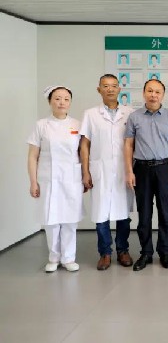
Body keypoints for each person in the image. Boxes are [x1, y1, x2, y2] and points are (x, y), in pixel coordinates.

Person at [124, 79, 168, 271]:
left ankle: (165, 252)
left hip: (165, 167)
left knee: (165, 212)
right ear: (144, 93)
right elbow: (128, 145)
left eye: (157, 92)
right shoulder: (134, 117)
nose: (153, 95)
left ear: (163, 95)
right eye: (150, 91)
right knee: (144, 213)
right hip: (141, 169)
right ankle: (146, 253)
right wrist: (129, 171)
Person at [79, 74, 135, 270]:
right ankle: (105, 253)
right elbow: (84, 145)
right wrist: (85, 171)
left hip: (123, 170)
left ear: (120, 89)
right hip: (100, 170)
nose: (110, 89)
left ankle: (123, 250)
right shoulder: (90, 114)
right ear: (99, 90)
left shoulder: (130, 113)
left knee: (123, 213)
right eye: (105, 86)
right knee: (101, 212)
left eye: (113, 86)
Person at [27, 86, 84, 273]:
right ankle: (53, 258)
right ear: (50, 101)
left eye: (66, 99)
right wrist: (33, 181)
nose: (62, 102)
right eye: (57, 98)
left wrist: (85, 176)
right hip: (48, 178)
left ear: (70, 102)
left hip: (71, 178)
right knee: (50, 219)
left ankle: (69, 258)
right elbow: (32, 156)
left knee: (70, 220)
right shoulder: (41, 125)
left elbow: (83, 153)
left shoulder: (77, 124)